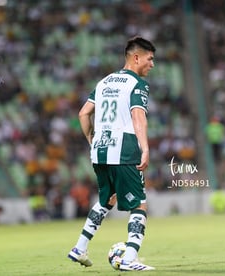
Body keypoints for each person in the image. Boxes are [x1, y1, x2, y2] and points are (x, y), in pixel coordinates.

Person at [67, 36, 156, 271]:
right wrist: (145, 147)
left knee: (106, 200)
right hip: (124, 151)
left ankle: (79, 247)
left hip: (100, 151)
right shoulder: (137, 84)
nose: (152, 64)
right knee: (140, 205)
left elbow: (83, 114)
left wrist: (92, 140)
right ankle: (128, 259)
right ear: (136, 57)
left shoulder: (105, 81)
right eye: (150, 59)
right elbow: (138, 116)